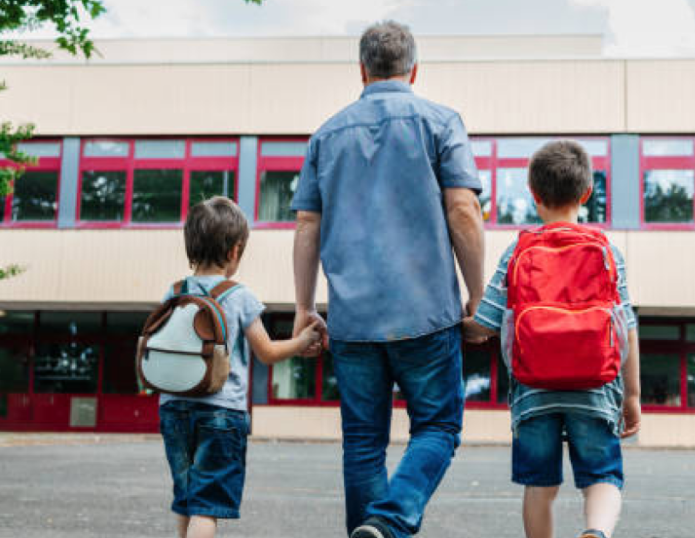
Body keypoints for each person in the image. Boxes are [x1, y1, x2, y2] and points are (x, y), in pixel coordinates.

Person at [290, 20, 485, 538]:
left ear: (362, 69)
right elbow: (463, 209)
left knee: (362, 443)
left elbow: (307, 223)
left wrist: (303, 306)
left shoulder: (326, 135)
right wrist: (479, 295)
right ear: (414, 69)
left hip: (353, 320)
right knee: (439, 427)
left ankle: (372, 529)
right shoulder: (441, 122)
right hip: (426, 315)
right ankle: (391, 519)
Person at [464, 141, 642, 538]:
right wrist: (631, 396)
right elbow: (625, 326)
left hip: (534, 392)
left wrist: (459, 321)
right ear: (586, 193)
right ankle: (595, 532)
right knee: (603, 478)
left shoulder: (518, 251)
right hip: (597, 388)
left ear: (533, 194)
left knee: (540, 486)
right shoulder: (608, 252)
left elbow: (485, 325)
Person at [159, 196, 324, 538]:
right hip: (221, 413)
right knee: (207, 505)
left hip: (172, 409)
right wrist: (303, 339)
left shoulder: (174, 292)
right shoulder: (238, 295)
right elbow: (267, 352)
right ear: (235, 251)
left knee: (187, 499)